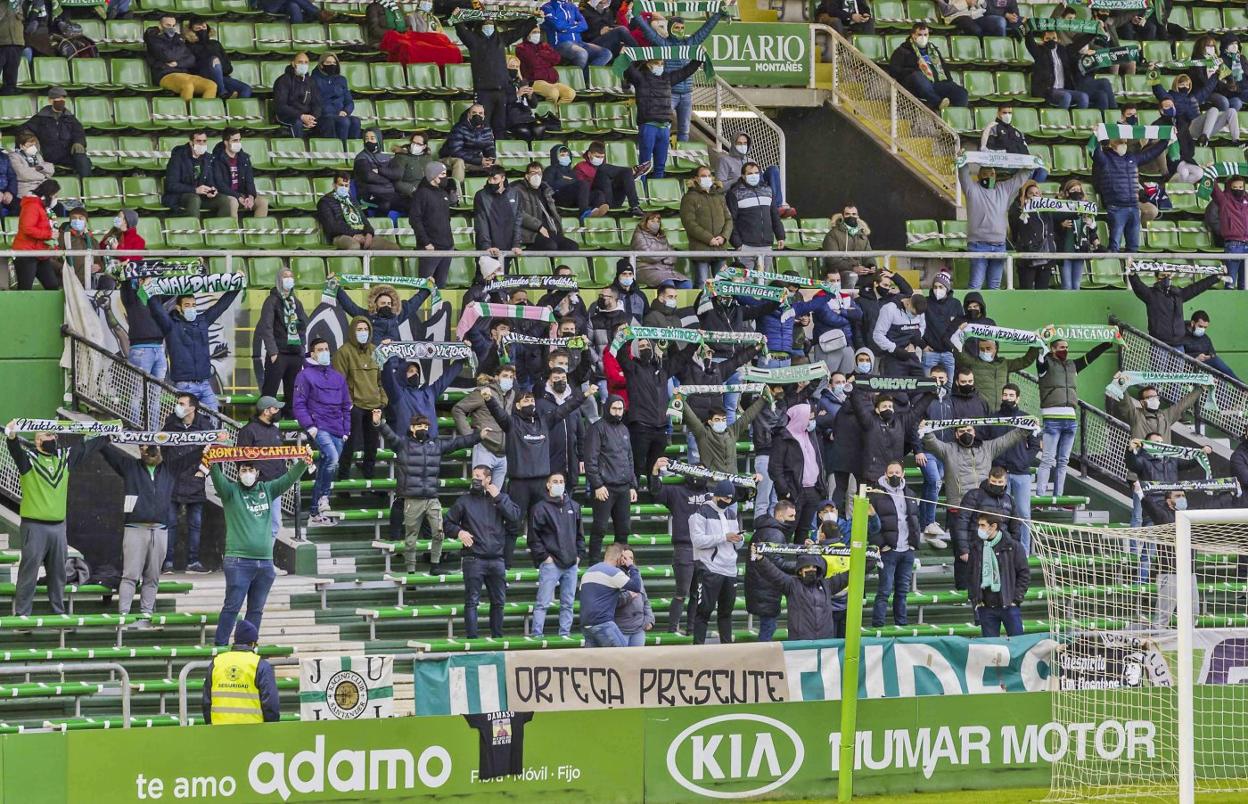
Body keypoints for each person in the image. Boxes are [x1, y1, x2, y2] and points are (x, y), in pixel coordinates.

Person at [484, 382, 594, 566]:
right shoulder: (511, 423)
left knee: (544, 526)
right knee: (512, 526)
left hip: (542, 482)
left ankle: (543, 562)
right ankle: (505, 567)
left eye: (531, 399)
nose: (529, 402)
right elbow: (498, 413)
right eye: (525, 400)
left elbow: (565, 409)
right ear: (517, 405)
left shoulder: (544, 421)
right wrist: (489, 399)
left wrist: (583, 396)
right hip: (520, 484)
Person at [5, 425, 107, 616]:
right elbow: (15, 450)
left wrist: (107, 435)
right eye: (47, 434)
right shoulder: (29, 459)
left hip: (59, 527)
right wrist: (11, 436)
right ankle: (22, 615)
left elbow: (86, 447)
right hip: (34, 526)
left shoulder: (63, 458)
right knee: (29, 572)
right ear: (37, 440)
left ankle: (58, 613)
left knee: (59, 574)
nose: (53, 438)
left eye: (53, 434)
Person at [208, 454, 309, 645]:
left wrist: (304, 462)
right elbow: (216, 476)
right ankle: (220, 648)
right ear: (237, 473)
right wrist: (211, 459)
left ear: (257, 472)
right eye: (243, 470)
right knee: (232, 606)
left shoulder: (268, 489)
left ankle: (248, 646)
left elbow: (288, 479)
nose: (247, 473)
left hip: (265, 563)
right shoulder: (230, 492)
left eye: (250, 470)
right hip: (238, 561)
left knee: (256, 609)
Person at [377, 408, 482, 575]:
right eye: (419, 426)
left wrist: (478, 436)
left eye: (426, 427)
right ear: (412, 428)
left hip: (432, 498)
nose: (423, 429)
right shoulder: (403, 444)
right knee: (411, 538)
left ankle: (435, 566)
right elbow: (389, 435)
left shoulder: (436, 445)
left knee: (439, 533)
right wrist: (379, 422)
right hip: (412, 499)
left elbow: (457, 443)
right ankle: (410, 569)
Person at [101, 441, 196, 619]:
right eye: (143, 446)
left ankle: (146, 615)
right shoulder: (130, 467)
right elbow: (107, 452)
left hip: (160, 530)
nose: (147, 450)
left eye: (152, 446)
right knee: (130, 576)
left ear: (160, 448)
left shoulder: (169, 469)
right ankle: (124, 617)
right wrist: (101, 435)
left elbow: (192, 457)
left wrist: (210, 443)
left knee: (153, 577)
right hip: (134, 528)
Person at [446, 464, 523, 638]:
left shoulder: (500, 499)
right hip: (474, 558)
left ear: (488, 479)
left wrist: (499, 498)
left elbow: (515, 519)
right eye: (474, 476)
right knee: (472, 601)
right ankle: (472, 640)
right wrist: (459, 532)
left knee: (499, 602)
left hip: (497, 558)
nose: (476, 480)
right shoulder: (464, 501)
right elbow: (447, 522)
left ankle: (497, 637)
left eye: (479, 476)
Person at [1035, 335, 1115, 496]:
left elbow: (1091, 356)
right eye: (1061, 347)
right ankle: (1041, 497)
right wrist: (1041, 340)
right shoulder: (1044, 364)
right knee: (1048, 460)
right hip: (1052, 419)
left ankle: (1058, 499)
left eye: (1066, 347)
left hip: (1071, 420)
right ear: (1052, 349)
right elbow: (1040, 358)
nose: (1065, 350)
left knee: (1063, 461)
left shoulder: (1072, 365)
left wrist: (1107, 343)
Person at [633, 9, 728, 141]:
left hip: (687, 94)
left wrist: (718, 15)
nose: (679, 29)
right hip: (669, 93)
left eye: (682, 27)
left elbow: (705, 29)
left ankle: (681, 155)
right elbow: (647, 32)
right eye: (676, 27)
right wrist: (636, 15)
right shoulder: (663, 43)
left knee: (684, 130)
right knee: (662, 126)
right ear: (670, 28)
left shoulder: (689, 43)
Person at [148, 287, 241, 412]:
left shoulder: (203, 321)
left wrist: (237, 286)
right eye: (187, 305)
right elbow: (156, 310)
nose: (191, 308)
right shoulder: (171, 325)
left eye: (193, 305)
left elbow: (221, 306)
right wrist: (148, 288)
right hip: (185, 386)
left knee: (215, 418)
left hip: (204, 383)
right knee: (187, 419)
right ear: (178, 308)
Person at [293, 337, 353, 523]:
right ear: (312, 353)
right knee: (333, 459)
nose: (324, 352)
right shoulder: (304, 375)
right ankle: (324, 498)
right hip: (320, 427)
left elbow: (346, 405)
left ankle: (314, 513)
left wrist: (346, 430)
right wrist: (310, 426)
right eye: (320, 349)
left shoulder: (338, 377)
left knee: (327, 466)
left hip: (337, 428)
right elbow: (299, 404)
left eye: (326, 348)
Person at [649, 458, 711, 634]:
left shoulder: (711, 494)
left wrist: (751, 483)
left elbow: (733, 494)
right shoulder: (677, 492)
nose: (698, 476)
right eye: (695, 471)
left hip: (704, 550)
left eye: (702, 472)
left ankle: (691, 630)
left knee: (697, 595)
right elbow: (656, 491)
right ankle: (672, 630)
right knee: (682, 592)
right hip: (684, 548)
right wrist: (655, 471)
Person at [958, 158, 1033, 289]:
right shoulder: (971, 189)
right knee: (976, 284)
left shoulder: (1004, 189)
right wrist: (962, 161)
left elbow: (1019, 179)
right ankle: (971, 309)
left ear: (996, 175)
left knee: (995, 286)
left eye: (992, 174)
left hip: (999, 245)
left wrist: (1032, 165)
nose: (989, 177)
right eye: (985, 174)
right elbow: (963, 175)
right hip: (977, 245)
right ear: (978, 176)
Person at [528, 471, 585, 638]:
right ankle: (537, 634)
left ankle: (564, 634)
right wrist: (545, 557)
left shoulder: (574, 507)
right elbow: (534, 537)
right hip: (551, 563)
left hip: (571, 563)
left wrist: (578, 555)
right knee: (542, 603)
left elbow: (580, 535)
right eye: (555, 481)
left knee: (568, 603)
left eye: (561, 481)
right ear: (548, 485)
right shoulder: (539, 508)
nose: (559, 484)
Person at [625, 56, 703, 178]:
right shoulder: (640, 78)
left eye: (662, 63)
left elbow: (685, 72)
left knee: (661, 166)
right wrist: (623, 55)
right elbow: (627, 68)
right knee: (644, 166)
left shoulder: (667, 78)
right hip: (648, 126)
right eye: (656, 63)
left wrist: (698, 59)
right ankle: (642, 191)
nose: (660, 66)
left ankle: (657, 191)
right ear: (648, 64)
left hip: (664, 128)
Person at [161, 393, 213, 574]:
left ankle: (193, 562)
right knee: (169, 523)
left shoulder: (205, 426)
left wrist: (203, 472)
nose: (178, 406)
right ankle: (167, 562)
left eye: (182, 404)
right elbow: (163, 449)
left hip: (195, 481)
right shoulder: (170, 424)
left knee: (195, 524)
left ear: (192, 408)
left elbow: (213, 452)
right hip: (173, 480)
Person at [456, 16, 533, 139]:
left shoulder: (501, 39)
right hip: (483, 92)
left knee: (500, 125)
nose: (489, 25)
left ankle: (499, 153)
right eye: (486, 23)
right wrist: (457, 18)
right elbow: (461, 31)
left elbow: (519, 31)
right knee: (482, 125)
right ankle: (483, 153)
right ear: (480, 26)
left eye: (491, 23)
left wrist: (533, 19)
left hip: (501, 91)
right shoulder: (474, 40)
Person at [1092, 136, 1171, 252]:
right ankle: (1115, 267)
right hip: (1116, 206)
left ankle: (1130, 267)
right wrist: (1095, 136)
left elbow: (1151, 154)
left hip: (1133, 206)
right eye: (1120, 142)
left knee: (1133, 245)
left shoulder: (1132, 158)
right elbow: (1094, 151)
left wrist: (1165, 140)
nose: (1124, 144)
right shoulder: (1105, 159)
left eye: (1125, 142)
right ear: (1111, 144)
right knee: (1115, 244)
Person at [332, 317, 386, 483]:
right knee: (349, 444)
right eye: (359, 329)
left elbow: (380, 380)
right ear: (352, 331)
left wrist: (383, 400)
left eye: (366, 329)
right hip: (354, 406)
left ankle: (369, 481)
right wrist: (348, 404)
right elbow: (339, 382)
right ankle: (343, 480)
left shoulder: (376, 351)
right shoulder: (343, 352)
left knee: (372, 446)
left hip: (374, 405)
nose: (363, 332)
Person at [865, 461, 918, 626]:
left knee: (902, 591)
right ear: (885, 474)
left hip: (907, 550)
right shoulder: (875, 495)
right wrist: (883, 545)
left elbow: (915, 520)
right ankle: (878, 625)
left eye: (897, 472)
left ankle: (901, 625)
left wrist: (914, 543)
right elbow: (871, 525)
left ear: (903, 474)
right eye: (891, 472)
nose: (894, 475)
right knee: (884, 591)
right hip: (888, 551)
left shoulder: (910, 493)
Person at [584, 395, 637, 562]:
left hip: (623, 487)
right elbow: (590, 459)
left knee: (623, 530)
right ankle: (593, 563)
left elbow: (629, 459)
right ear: (607, 408)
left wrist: (632, 485)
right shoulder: (597, 428)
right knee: (599, 528)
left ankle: (619, 564)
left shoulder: (624, 429)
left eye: (620, 409)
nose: (617, 412)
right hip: (604, 487)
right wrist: (597, 485)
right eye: (614, 408)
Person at [690, 480, 743, 644]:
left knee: (726, 613)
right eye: (725, 499)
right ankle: (697, 650)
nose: (727, 502)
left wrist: (739, 539)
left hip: (730, 569)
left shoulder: (731, 514)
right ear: (716, 495)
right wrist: (724, 537)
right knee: (704, 612)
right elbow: (698, 541)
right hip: (709, 568)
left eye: (730, 499)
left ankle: (727, 649)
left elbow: (738, 544)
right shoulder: (699, 513)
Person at [988, 385, 1040, 551]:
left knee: (1024, 514)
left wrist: (1024, 460)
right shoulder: (993, 418)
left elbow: (1035, 445)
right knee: (1001, 513)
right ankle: (1003, 548)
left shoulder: (1027, 418)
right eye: (1005, 395)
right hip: (999, 474)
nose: (1008, 398)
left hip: (1021, 473)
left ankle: (1023, 550)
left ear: (1017, 398)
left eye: (1011, 395)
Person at [202, 620, 280, 725]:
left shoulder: (217, 662)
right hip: (253, 733)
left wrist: (210, 724)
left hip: (219, 732)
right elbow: (270, 704)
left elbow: (206, 701)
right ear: (253, 643)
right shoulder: (259, 665)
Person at [766, 403, 824, 543]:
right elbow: (775, 467)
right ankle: (779, 560)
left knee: (804, 531)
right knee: (787, 529)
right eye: (809, 418)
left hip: (812, 490)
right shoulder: (783, 438)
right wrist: (785, 490)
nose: (811, 422)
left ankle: (801, 563)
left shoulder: (810, 434)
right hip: (794, 491)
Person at [1127, 266, 1223, 348]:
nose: (1166, 278)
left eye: (1168, 275)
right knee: (1161, 370)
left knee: (1179, 371)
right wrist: (1132, 274)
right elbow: (1138, 286)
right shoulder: (1151, 295)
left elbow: (1197, 287)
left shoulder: (1178, 294)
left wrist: (1216, 278)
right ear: (1156, 278)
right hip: (1159, 345)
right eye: (1162, 276)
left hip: (1178, 344)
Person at [453, 366, 516, 488]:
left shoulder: (512, 394)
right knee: (479, 490)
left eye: (511, 377)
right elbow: (458, 409)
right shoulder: (483, 392)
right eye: (505, 376)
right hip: (484, 447)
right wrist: (470, 436)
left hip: (503, 452)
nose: (508, 379)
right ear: (497, 377)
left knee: (495, 495)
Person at [967, 514, 1029, 636]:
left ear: (993, 526)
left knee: (1018, 644)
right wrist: (976, 600)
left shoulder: (1013, 547)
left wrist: (1016, 599)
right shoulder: (976, 547)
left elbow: (1024, 574)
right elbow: (970, 574)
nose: (979, 528)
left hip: (1009, 605)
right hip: (986, 607)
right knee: (990, 649)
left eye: (982, 525)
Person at [745, 499, 798, 641]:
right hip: (767, 588)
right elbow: (777, 563)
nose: (794, 520)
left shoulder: (763, 530)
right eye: (790, 516)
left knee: (768, 626)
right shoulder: (776, 534)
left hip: (759, 586)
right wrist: (799, 567)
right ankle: (762, 662)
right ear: (780, 516)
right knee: (768, 628)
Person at [1024, 22, 1109, 109]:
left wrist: (1094, 32)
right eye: (1047, 38)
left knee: (1083, 97)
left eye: (1054, 38)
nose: (1051, 40)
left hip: (1064, 89)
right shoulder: (1039, 52)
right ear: (1042, 40)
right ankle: (1061, 120)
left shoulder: (1064, 51)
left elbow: (1079, 44)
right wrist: (1028, 29)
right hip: (1048, 90)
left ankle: (1077, 120)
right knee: (1066, 97)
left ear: (1058, 39)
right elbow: (1030, 43)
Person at [255, 269, 306, 413]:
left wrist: (302, 349)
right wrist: (273, 352)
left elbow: (302, 327)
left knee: (293, 395)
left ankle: (291, 427)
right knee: (269, 393)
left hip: (295, 354)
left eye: (291, 276)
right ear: (279, 280)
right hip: (278, 354)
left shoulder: (297, 302)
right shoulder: (271, 301)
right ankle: (262, 425)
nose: (289, 279)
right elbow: (266, 327)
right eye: (285, 276)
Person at [237, 396, 287, 537]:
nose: (278, 412)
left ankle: (267, 559)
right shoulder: (248, 430)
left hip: (275, 486)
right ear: (266, 411)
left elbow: (280, 457)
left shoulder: (275, 431)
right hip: (255, 487)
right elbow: (241, 460)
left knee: (274, 525)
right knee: (254, 525)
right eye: (275, 409)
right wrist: (249, 483)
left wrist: (282, 478)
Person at [889, 23, 968, 112]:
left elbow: (943, 67)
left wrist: (949, 82)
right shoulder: (902, 51)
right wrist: (915, 69)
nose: (923, 37)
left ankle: (954, 117)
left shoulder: (933, 49)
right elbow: (894, 71)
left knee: (961, 93)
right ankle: (937, 103)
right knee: (917, 75)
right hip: (915, 86)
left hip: (935, 83)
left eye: (925, 34)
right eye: (919, 34)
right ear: (913, 35)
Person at [316, 172, 402, 251]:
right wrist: (353, 234)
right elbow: (332, 227)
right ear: (334, 185)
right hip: (340, 236)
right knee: (354, 246)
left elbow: (364, 220)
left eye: (346, 185)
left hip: (361, 234)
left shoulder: (352, 200)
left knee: (393, 247)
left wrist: (369, 233)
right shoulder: (324, 202)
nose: (344, 188)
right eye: (341, 185)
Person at [714, 132, 793, 216]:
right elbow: (719, 188)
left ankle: (776, 206)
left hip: (756, 189)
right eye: (739, 143)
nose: (742, 146)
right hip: (739, 192)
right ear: (733, 144)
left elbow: (760, 180)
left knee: (773, 169)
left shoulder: (751, 161)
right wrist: (740, 179)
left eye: (745, 143)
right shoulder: (724, 160)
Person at [578, 542, 642, 647]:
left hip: (586, 625)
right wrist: (631, 565)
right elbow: (636, 586)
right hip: (602, 623)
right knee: (623, 657)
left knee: (595, 662)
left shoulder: (588, 572)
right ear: (619, 557)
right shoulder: (614, 573)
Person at [365, 0, 463, 66]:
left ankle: (450, 54)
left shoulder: (397, 6)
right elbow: (374, 30)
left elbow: (407, 25)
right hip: (383, 41)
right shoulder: (373, 7)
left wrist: (404, 33)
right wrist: (395, 34)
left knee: (436, 39)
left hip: (402, 36)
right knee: (410, 46)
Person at [680, 166, 732, 284]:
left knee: (723, 285)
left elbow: (729, 219)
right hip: (701, 250)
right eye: (703, 176)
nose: (707, 178)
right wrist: (709, 239)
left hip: (720, 249)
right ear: (696, 179)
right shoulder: (689, 198)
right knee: (702, 284)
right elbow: (689, 223)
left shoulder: (719, 197)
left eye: (709, 176)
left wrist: (724, 236)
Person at [145, 14, 217, 100]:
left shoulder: (178, 38)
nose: (171, 28)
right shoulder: (154, 39)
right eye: (167, 25)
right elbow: (167, 56)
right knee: (188, 86)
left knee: (211, 85)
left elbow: (191, 59)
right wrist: (180, 50)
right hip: (165, 75)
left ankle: (204, 113)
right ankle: (187, 112)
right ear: (160, 25)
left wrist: (177, 63)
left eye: (173, 25)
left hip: (184, 73)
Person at [23, 88, 90, 179]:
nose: (61, 102)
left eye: (63, 99)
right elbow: (25, 129)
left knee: (82, 159)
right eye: (58, 99)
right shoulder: (40, 117)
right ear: (51, 101)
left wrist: (79, 142)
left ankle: (87, 184)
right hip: (46, 155)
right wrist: (32, 138)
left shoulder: (70, 118)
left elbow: (78, 132)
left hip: (67, 154)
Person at [162, 130, 230, 218]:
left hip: (201, 196)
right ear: (191, 142)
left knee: (224, 200)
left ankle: (220, 229)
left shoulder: (208, 158)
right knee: (194, 199)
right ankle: (194, 229)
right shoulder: (178, 158)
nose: (202, 144)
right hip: (179, 196)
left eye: (204, 141)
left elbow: (211, 181)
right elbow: (171, 185)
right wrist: (195, 190)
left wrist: (212, 189)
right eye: (198, 141)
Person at [512, 161, 578, 251]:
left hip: (549, 231)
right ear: (526, 176)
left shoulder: (546, 191)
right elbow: (518, 213)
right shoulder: (517, 190)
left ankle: (562, 265)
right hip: (531, 233)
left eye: (539, 173)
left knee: (572, 246)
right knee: (550, 246)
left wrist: (558, 230)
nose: (536, 176)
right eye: (533, 173)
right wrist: (538, 226)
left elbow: (553, 213)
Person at [727, 161, 785, 262]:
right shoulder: (734, 193)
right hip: (745, 246)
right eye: (750, 173)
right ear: (743, 176)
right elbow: (730, 220)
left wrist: (780, 236)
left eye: (756, 173)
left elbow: (774, 216)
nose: (754, 176)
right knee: (746, 278)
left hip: (766, 246)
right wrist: (737, 244)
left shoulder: (768, 190)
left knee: (765, 278)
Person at [185, 18, 250, 100]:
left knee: (246, 89)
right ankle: (222, 93)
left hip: (222, 77)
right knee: (214, 59)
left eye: (204, 27)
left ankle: (234, 111)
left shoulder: (215, 44)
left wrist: (219, 70)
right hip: (203, 78)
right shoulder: (189, 46)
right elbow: (191, 67)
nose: (202, 30)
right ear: (191, 31)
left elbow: (228, 67)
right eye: (198, 28)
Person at [211, 128, 268, 220]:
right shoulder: (216, 159)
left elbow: (250, 181)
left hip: (242, 195)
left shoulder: (244, 158)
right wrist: (238, 197)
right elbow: (219, 184)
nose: (238, 143)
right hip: (227, 195)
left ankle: (257, 231)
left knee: (263, 202)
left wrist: (250, 196)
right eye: (234, 140)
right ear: (226, 142)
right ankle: (235, 231)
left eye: (239, 140)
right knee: (233, 202)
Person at [12, 178, 59, 290]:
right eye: (55, 195)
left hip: (40, 253)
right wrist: (49, 235)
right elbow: (27, 228)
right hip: (26, 253)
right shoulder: (32, 205)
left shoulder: (42, 207)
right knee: (25, 288)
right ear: (49, 194)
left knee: (52, 286)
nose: (56, 198)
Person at [1010, 180, 1057, 290]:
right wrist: (1023, 207)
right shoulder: (1019, 210)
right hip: (1027, 259)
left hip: (1046, 258)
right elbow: (1015, 227)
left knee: (1042, 291)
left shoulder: (1047, 211)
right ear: (1025, 196)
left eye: (1037, 193)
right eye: (1031, 193)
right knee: (1026, 290)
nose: (1035, 196)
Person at [575, 141, 643, 216]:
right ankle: (633, 171)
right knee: (603, 169)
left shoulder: (607, 168)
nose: (600, 159)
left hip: (614, 199)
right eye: (597, 157)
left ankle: (635, 206)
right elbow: (582, 189)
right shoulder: (580, 167)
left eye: (602, 157)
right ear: (589, 154)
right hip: (598, 199)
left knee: (626, 172)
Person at [981, 105, 1047, 182]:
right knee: (1028, 171)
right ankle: (1025, 189)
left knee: (1042, 171)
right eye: (1004, 112)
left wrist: (1033, 158)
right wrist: (1007, 154)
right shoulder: (992, 127)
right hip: (1006, 163)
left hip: (1022, 163)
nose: (1007, 115)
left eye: (1009, 113)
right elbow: (984, 150)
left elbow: (1025, 148)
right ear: (998, 113)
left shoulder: (1016, 130)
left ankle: (1030, 190)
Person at [516, 24, 576, 106]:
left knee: (570, 93)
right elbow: (534, 63)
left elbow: (557, 58)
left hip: (551, 80)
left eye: (538, 32)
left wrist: (540, 54)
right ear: (527, 34)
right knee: (553, 93)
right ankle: (549, 113)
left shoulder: (544, 45)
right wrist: (547, 59)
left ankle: (556, 113)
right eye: (534, 32)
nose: (537, 34)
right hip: (534, 81)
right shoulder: (521, 48)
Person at [1055, 179, 1098, 289]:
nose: (1077, 192)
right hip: (1065, 251)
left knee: (1077, 284)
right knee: (1067, 285)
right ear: (1067, 192)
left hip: (1080, 250)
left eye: (1078, 190)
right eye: (1073, 190)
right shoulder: (1060, 207)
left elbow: (1093, 230)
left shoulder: (1086, 208)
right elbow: (1052, 227)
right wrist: (1061, 225)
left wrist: (1091, 224)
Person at [545, 143, 607, 220]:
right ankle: (584, 212)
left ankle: (595, 212)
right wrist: (564, 181)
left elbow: (575, 184)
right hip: (559, 198)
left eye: (567, 155)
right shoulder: (550, 170)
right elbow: (547, 187)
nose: (566, 157)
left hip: (573, 199)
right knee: (583, 183)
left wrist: (567, 181)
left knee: (598, 193)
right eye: (562, 155)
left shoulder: (571, 171)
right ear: (555, 156)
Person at [311, 53, 362, 144]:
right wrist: (335, 112)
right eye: (328, 62)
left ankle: (353, 151)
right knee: (344, 122)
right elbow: (316, 102)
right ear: (321, 65)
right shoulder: (314, 79)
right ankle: (341, 151)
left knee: (355, 121)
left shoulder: (342, 80)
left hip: (341, 114)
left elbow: (349, 101)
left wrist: (345, 111)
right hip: (324, 116)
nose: (332, 65)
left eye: (334, 63)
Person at [474, 165, 524, 258]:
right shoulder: (481, 195)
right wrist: (486, 246)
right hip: (488, 250)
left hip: (508, 248)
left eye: (494, 179)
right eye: (489, 179)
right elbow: (481, 223)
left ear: (503, 178)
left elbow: (518, 221)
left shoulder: (515, 194)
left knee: (504, 273)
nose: (491, 182)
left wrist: (516, 244)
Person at [821, 203, 875, 287]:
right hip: (839, 272)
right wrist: (853, 268)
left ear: (858, 216)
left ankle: (867, 300)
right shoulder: (833, 234)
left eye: (854, 214)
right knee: (851, 276)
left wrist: (871, 266)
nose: (851, 216)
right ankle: (847, 300)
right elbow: (832, 260)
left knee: (878, 277)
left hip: (861, 271)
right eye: (847, 214)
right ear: (842, 216)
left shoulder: (862, 235)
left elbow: (869, 255)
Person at [353, 129, 403, 217]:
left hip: (388, 192)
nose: (369, 141)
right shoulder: (361, 158)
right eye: (367, 138)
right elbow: (368, 176)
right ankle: (380, 228)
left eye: (372, 138)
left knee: (411, 202)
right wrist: (389, 179)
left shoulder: (387, 156)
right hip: (369, 195)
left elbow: (398, 174)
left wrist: (380, 171)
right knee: (385, 204)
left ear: (379, 139)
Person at [273, 52, 322, 139]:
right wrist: (301, 116)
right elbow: (281, 106)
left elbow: (317, 103)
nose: (303, 65)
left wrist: (313, 118)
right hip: (287, 116)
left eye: (306, 62)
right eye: (300, 62)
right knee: (297, 123)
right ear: (293, 63)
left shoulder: (311, 81)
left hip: (307, 115)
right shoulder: (283, 80)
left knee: (326, 122)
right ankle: (299, 150)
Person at [1211, 176, 1248, 289]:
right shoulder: (1224, 200)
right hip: (1233, 245)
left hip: (1247, 244)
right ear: (1229, 187)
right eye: (1235, 187)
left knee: (1245, 283)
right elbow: (1214, 189)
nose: (1238, 189)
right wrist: (1210, 175)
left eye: (1241, 187)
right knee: (1230, 282)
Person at [631, 212, 686, 287]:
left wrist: (662, 256)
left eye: (658, 221)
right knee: (668, 284)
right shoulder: (639, 236)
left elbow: (673, 258)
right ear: (645, 222)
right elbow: (650, 257)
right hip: (645, 270)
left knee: (686, 284)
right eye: (652, 221)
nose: (655, 224)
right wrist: (665, 254)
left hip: (665, 271)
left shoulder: (662, 236)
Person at [613, 548, 654, 646]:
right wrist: (629, 596)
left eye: (631, 558)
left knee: (638, 659)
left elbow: (645, 599)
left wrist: (650, 620)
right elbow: (613, 601)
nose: (628, 561)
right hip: (621, 629)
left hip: (638, 629)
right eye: (625, 558)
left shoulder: (637, 575)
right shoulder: (614, 574)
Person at [1182, 311, 1238, 379]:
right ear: (1192, 323)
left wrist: (1209, 356)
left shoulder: (1205, 338)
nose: (1202, 329)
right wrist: (1195, 358)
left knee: (1219, 374)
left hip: (1204, 369)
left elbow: (1213, 354)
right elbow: (1177, 354)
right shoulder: (1180, 334)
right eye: (1200, 326)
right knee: (1216, 362)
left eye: (1205, 327)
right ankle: (1241, 386)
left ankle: (1240, 386)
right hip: (1186, 368)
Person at [10, 130, 54, 199]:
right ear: (22, 146)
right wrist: (43, 174)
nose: (33, 147)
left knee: (58, 207)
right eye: (30, 145)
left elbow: (51, 169)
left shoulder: (37, 156)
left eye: (34, 145)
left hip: (42, 188)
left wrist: (39, 168)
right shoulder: (14, 156)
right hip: (26, 190)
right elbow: (24, 175)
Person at [0, 1, 21, 95]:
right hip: (2, 42)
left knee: (11, 77)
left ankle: (9, 93)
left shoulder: (19, 2)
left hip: (17, 42)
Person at [258, 0, 326, 23]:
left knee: (294, 6)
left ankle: (298, 33)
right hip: (268, 4)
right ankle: (317, 13)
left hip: (283, 4)